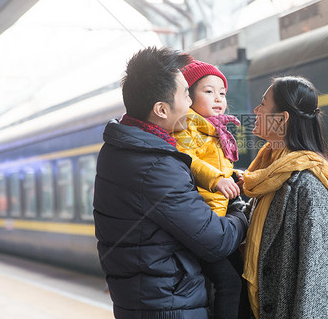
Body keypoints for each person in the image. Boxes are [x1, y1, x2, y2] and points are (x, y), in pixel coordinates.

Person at [93, 47, 248, 319]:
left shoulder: (125, 148)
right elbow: (217, 239)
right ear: (161, 109)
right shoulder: (154, 165)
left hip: (153, 300)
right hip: (169, 306)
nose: (190, 104)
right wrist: (240, 210)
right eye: (186, 94)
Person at [242, 76, 328, 319]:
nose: (256, 110)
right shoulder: (269, 171)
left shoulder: (308, 183)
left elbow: (315, 281)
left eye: (263, 104)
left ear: (281, 119)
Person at [172, 60, 245, 319]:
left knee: (237, 280)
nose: (218, 98)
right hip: (204, 222)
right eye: (208, 91)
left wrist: (235, 176)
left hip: (219, 220)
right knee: (229, 283)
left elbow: (220, 166)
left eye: (222, 93)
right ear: (188, 96)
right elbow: (187, 159)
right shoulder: (186, 126)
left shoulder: (215, 130)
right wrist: (216, 180)